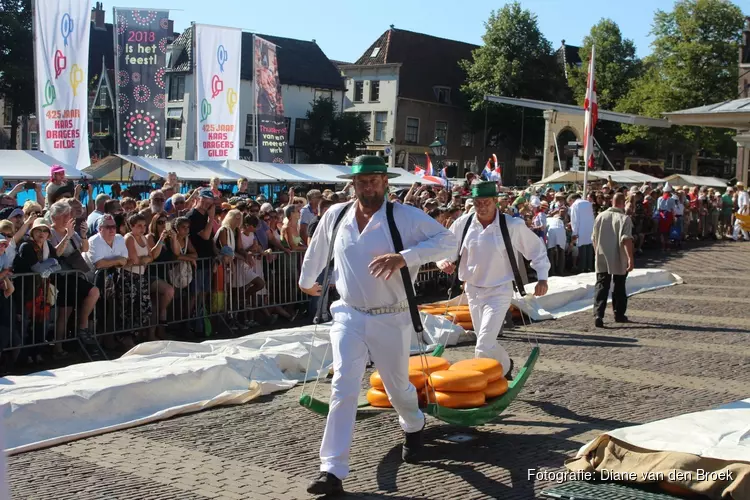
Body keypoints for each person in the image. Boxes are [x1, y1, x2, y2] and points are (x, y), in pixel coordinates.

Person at [298, 155, 456, 496]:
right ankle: (332, 470)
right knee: (343, 387)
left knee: (398, 387)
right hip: (349, 315)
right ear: (352, 183)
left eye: (374, 180)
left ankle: (413, 424)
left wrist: (405, 257)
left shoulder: (405, 216)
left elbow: (448, 242)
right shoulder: (336, 215)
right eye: (362, 180)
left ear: (385, 182)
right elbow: (318, 247)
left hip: (392, 316)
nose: (368, 186)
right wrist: (306, 278)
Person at [437, 181, 549, 377]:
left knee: (483, 344)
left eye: (486, 202)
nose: (481, 207)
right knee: (484, 339)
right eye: (477, 202)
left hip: (499, 290)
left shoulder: (512, 225)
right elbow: (444, 248)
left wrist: (542, 277)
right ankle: (505, 366)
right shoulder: (463, 224)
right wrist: (444, 262)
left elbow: (536, 249)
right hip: (472, 290)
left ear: (496, 202)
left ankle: (485, 380)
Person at [592, 193, 635, 328]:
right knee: (619, 286)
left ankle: (598, 314)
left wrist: (597, 253)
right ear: (623, 202)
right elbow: (626, 239)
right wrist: (630, 258)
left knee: (601, 285)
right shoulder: (624, 218)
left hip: (602, 256)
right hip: (618, 256)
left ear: (612, 201)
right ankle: (619, 313)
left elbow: (593, 238)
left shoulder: (600, 216)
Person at [569, 193, 595, 273]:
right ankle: (589, 267)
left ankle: (582, 268)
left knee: (582, 249)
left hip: (580, 229)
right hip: (590, 229)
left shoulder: (575, 205)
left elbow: (574, 221)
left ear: (572, 200)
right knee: (589, 248)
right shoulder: (588, 203)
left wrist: (574, 233)